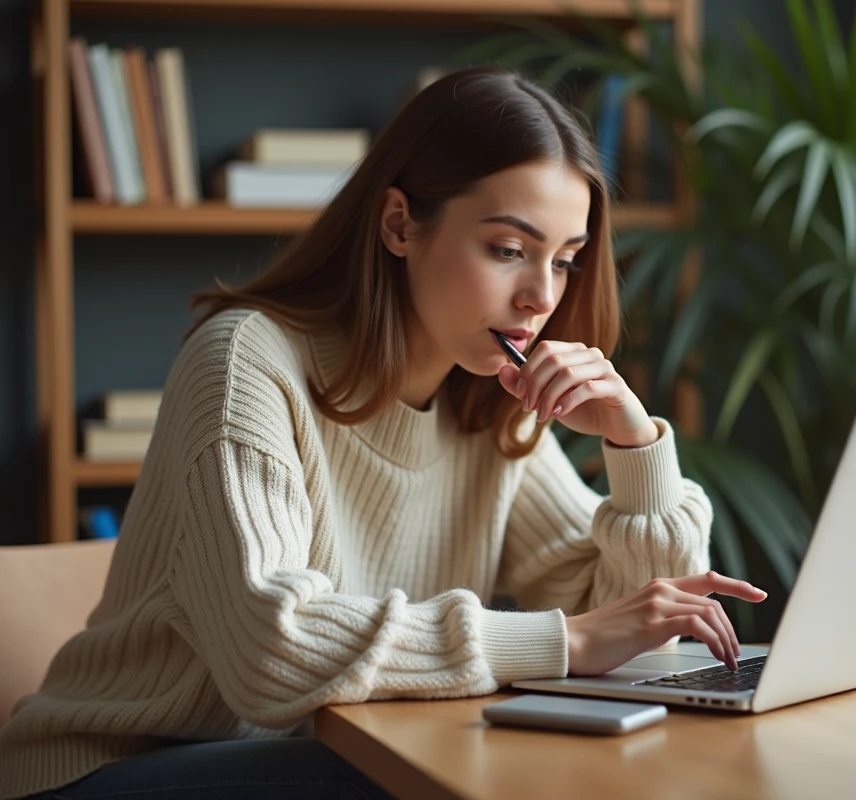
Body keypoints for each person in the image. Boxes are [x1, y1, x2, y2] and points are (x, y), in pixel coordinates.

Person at [0, 67, 767, 800]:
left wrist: (636, 451)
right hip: (111, 771)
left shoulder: (488, 407)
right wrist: (563, 641)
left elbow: (643, 635)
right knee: (440, 780)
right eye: (507, 249)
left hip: (308, 760)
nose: (540, 295)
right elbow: (271, 649)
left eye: (564, 261)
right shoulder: (245, 362)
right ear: (400, 224)